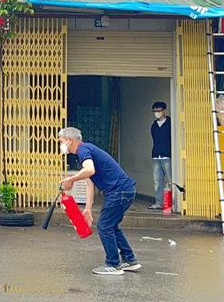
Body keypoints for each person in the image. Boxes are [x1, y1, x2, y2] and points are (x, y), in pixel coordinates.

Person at [59, 126, 141, 275]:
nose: (61, 145)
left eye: (61, 141)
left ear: (70, 140)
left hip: (119, 191)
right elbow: (90, 183)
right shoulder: (84, 151)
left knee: (104, 226)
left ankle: (113, 264)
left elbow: (89, 170)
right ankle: (129, 260)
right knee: (111, 225)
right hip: (124, 191)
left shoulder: (83, 150)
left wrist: (71, 180)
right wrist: (88, 208)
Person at [149, 101, 172, 210]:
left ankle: (173, 204)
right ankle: (159, 203)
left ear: (164, 111)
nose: (157, 113)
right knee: (157, 181)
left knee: (171, 180)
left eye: (159, 110)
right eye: (155, 111)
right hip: (156, 155)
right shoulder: (154, 126)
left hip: (167, 155)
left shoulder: (170, 124)